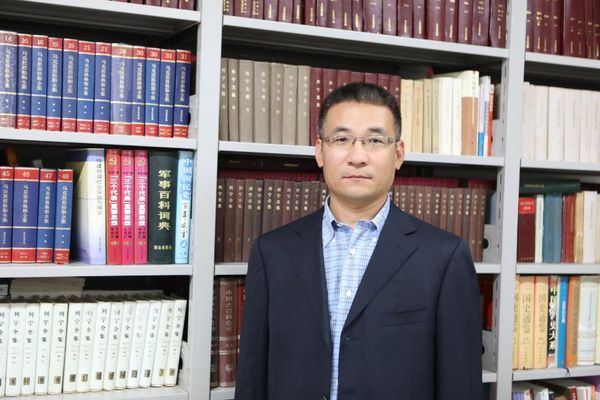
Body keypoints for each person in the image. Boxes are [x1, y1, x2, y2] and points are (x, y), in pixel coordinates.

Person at [234, 82, 482, 400]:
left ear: (398, 154)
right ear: (320, 151)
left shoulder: (445, 257)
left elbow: (460, 386)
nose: (358, 156)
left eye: (375, 140)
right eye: (342, 139)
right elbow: (252, 380)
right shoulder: (272, 253)